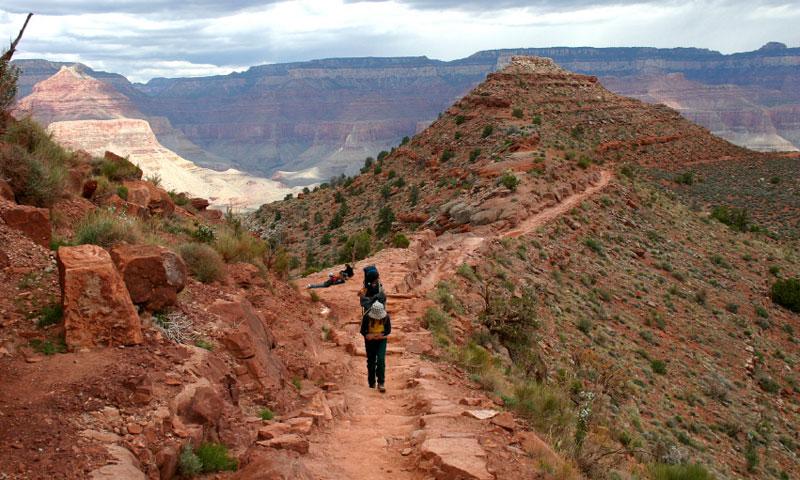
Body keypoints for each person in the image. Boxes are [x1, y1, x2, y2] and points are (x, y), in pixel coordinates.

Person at [360, 301, 391, 392]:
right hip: (370, 342)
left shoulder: (386, 317)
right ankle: (371, 383)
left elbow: (388, 330)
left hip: (381, 341)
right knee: (371, 361)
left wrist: (382, 335)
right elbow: (362, 330)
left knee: (381, 360)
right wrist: (368, 335)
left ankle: (381, 383)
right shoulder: (366, 317)